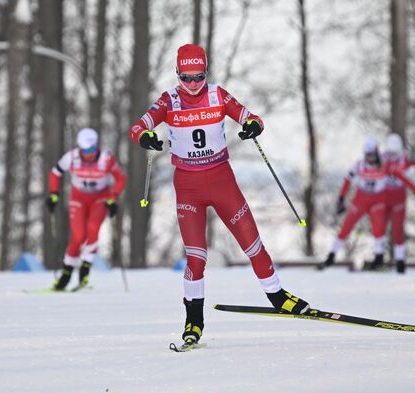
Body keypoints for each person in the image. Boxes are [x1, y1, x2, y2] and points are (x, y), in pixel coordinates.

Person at [128, 44, 310, 346]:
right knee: (196, 257)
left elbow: (252, 117)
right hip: (187, 186)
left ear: (206, 73)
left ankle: (277, 295)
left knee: (252, 243)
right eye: (185, 78)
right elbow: (138, 126)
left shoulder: (217, 95)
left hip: (221, 180)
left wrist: (252, 125)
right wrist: (145, 136)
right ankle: (194, 321)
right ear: (177, 75)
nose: (192, 84)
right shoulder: (168, 100)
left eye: (198, 76)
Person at [319, 137, 415, 271]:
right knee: (347, 226)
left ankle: (379, 259)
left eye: (372, 155)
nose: (370, 158)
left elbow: (402, 177)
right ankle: (331, 257)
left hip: (378, 201)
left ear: (377, 153)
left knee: (378, 228)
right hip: (361, 200)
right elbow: (347, 180)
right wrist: (341, 199)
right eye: (367, 155)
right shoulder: (359, 165)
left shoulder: (385, 166)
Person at [46, 128, 126, 291]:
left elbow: (120, 178)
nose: (89, 154)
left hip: (99, 198)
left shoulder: (106, 158)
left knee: (93, 229)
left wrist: (113, 198)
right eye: (85, 150)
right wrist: (54, 194)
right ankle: (66, 275)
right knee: (78, 236)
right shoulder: (71, 157)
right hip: (78, 198)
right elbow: (55, 173)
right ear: (79, 148)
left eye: (92, 149)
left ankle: (85, 266)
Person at [382, 133, 415, 273]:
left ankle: (400, 261)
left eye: (395, 153)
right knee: (380, 227)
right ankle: (379, 258)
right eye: (390, 153)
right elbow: (400, 176)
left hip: (399, 198)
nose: (392, 156)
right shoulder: (382, 159)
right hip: (384, 197)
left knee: (397, 230)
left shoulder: (405, 158)